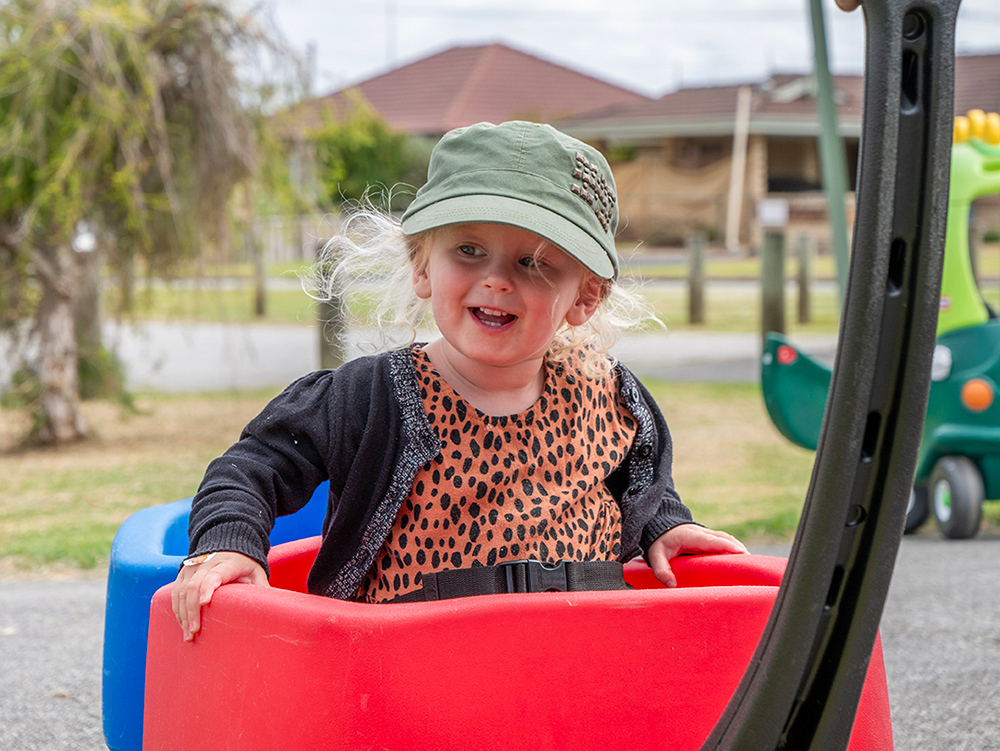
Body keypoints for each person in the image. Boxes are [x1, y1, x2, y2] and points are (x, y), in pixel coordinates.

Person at [172, 120, 747, 641]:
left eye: (535, 261)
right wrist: (228, 542)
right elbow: (251, 467)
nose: (496, 279)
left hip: (575, 669)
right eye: (469, 250)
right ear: (424, 265)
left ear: (586, 296)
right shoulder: (368, 397)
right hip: (403, 678)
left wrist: (663, 526)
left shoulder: (611, 398)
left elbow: (640, 476)